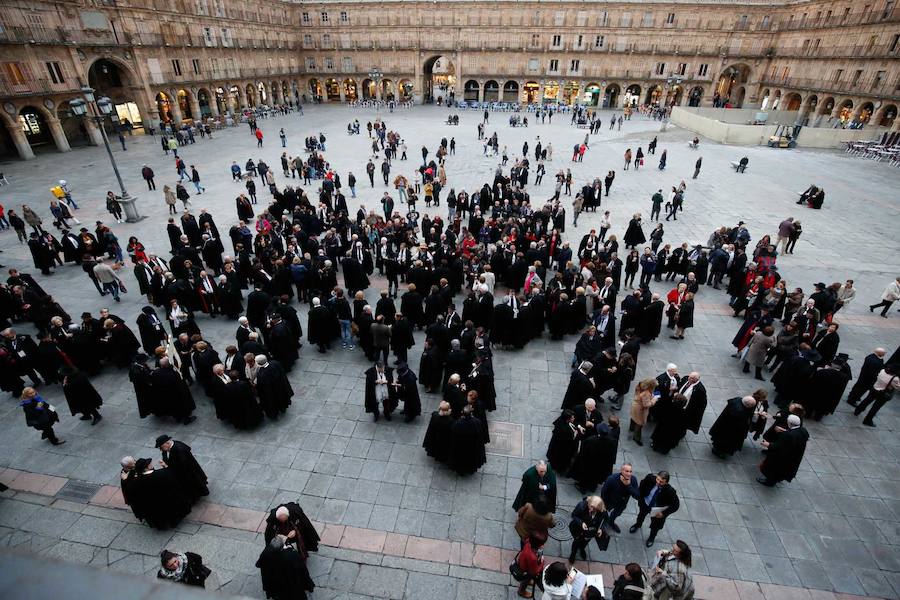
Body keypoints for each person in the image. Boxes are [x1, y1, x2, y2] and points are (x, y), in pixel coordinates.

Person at [255, 535, 316, 600]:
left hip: (275, 583)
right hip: (289, 582)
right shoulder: (292, 555)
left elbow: (259, 564)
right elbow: (302, 570)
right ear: (282, 547)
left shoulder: (266, 552)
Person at [630, 471, 680, 547]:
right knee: (641, 515)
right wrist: (640, 497)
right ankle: (638, 525)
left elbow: (675, 506)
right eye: (657, 479)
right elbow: (642, 485)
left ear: (666, 482)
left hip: (657, 511)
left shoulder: (670, 492)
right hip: (645, 504)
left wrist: (663, 513)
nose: (658, 482)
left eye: (661, 482)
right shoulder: (649, 478)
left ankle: (651, 537)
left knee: (655, 526)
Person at [758, 414, 809, 485]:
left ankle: (770, 482)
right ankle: (775, 479)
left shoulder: (787, 435)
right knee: (783, 470)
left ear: (790, 423)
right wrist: (785, 431)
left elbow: (779, 447)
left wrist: (768, 444)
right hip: (793, 457)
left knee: (774, 469)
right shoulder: (803, 431)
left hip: (783, 457)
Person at [155, 434, 209, 502]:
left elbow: (181, 466)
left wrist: (166, 466)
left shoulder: (178, 450)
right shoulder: (172, 445)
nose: (161, 449)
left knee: (192, 485)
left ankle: (195, 497)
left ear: (167, 443)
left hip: (187, 473)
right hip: (188, 470)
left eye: (161, 447)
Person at [567, 495, 609, 562]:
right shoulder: (581, 506)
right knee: (576, 542)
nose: (591, 509)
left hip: (590, 532)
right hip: (578, 530)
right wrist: (581, 523)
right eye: (591, 506)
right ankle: (573, 553)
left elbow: (605, 521)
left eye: (594, 508)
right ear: (589, 502)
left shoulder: (602, 511)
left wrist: (601, 529)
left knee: (585, 542)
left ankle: (582, 549)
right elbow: (574, 515)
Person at [600, 463, 640, 533]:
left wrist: (628, 485)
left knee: (616, 513)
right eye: (626, 471)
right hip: (610, 501)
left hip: (622, 503)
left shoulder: (633, 480)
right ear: (621, 470)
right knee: (603, 513)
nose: (629, 474)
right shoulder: (612, 479)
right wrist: (604, 503)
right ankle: (600, 524)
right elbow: (604, 492)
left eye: (630, 471)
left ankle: (611, 522)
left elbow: (637, 496)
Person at [448, 405, 487, 475]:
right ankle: (470, 470)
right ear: (471, 414)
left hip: (460, 447)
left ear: (462, 413)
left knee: (460, 459)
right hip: (472, 447)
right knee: (471, 459)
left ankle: (460, 471)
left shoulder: (457, 424)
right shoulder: (477, 423)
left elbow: (453, 437)